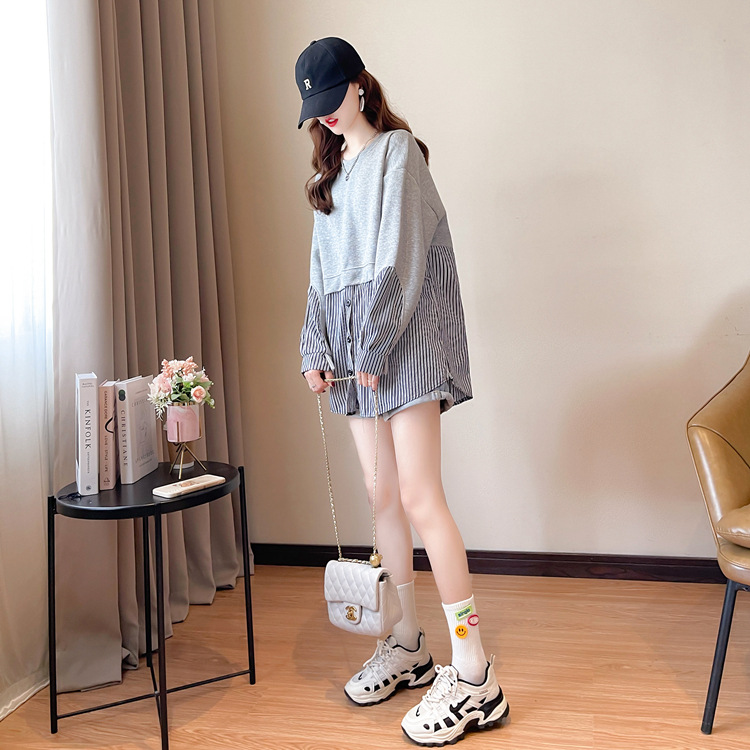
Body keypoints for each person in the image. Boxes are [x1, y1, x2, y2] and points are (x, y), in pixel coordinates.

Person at [295, 37, 509, 746]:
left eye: (333, 100)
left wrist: (373, 342)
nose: (326, 116)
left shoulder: (399, 154)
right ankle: (408, 642)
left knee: (420, 496)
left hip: (402, 343)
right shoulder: (328, 179)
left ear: (359, 87)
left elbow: (403, 261)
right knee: (381, 495)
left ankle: (475, 673)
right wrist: (315, 349)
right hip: (355, 354)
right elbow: (320, 276)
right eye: (315, 110)